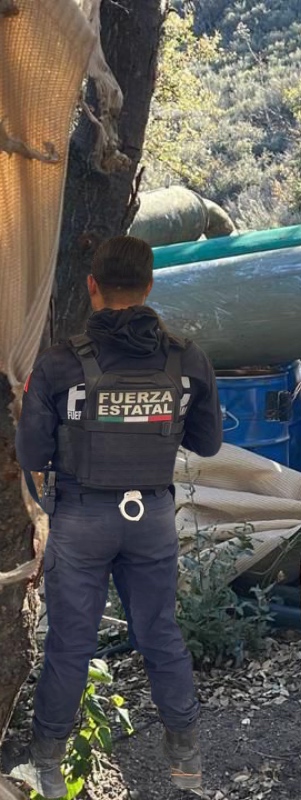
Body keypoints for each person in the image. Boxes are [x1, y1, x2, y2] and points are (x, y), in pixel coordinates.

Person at [17, 236, 223, 797]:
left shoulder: (60, 364)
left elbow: (32, 457)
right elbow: (206, 444)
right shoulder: (187, 359)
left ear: (92, 287)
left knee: (70, 644)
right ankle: (187, 764)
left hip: (83, 519)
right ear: (150, 285)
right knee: (159, 635)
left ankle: (50, 770)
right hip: (151, 515)